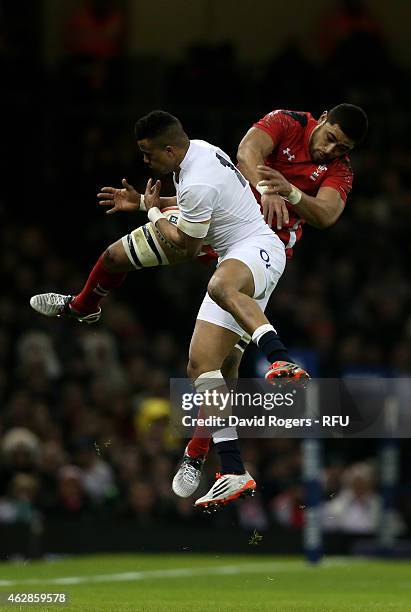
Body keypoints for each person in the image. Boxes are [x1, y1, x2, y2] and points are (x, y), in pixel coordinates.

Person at [30, 110, 303, 510]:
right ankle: (232, 468)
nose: (144, 162)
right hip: (225, 243)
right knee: (202, 365)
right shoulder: (201, 154)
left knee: (223, 318)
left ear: (170, 149)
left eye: (147, 153)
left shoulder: (198, 182)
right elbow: (195, 205)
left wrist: (153, 211)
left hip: (252, 250)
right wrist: (143, 200)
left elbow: (184, 245)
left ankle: (278, 359)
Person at [172, 103, 368, 499]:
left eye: (342, 148)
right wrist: (264, 186)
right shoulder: (288, 122)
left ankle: (277, 356)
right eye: (331, 138)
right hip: (230, 234)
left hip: (265, 249)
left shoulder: (339, 170)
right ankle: (208, 455)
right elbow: (247, 151)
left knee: (217, 314)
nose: (332, 150)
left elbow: (327, 214)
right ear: (323, 118)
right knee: (212, 366)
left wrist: (291, 192)